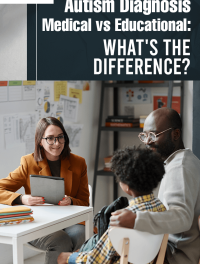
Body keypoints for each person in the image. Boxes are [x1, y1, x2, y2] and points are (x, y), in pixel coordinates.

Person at [110, 107, 200, 264]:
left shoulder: (180, 167)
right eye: (144, 136)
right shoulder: (181, 160)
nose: (147, 142)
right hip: (167, 245)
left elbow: (182, 217)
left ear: (175, 134)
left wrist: (136, 219)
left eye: (153, 135)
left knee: (112, 245)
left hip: (173, 255)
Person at [0, 117, 89, 264]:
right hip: (41, 222)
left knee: (80, 236)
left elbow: (84, 202)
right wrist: (22, 199)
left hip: (70, 221)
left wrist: (71, 200)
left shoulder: (78, 163)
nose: (57, 143)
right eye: (50, 138)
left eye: (61, 137)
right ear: (40, 141)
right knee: (60, 241)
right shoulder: (28, 162)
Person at [57, 146, 166, 264]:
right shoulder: (161, 209)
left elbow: (95, 261)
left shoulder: (122, 221)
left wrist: (69, 257)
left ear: (127, 186)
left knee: (67, 257)